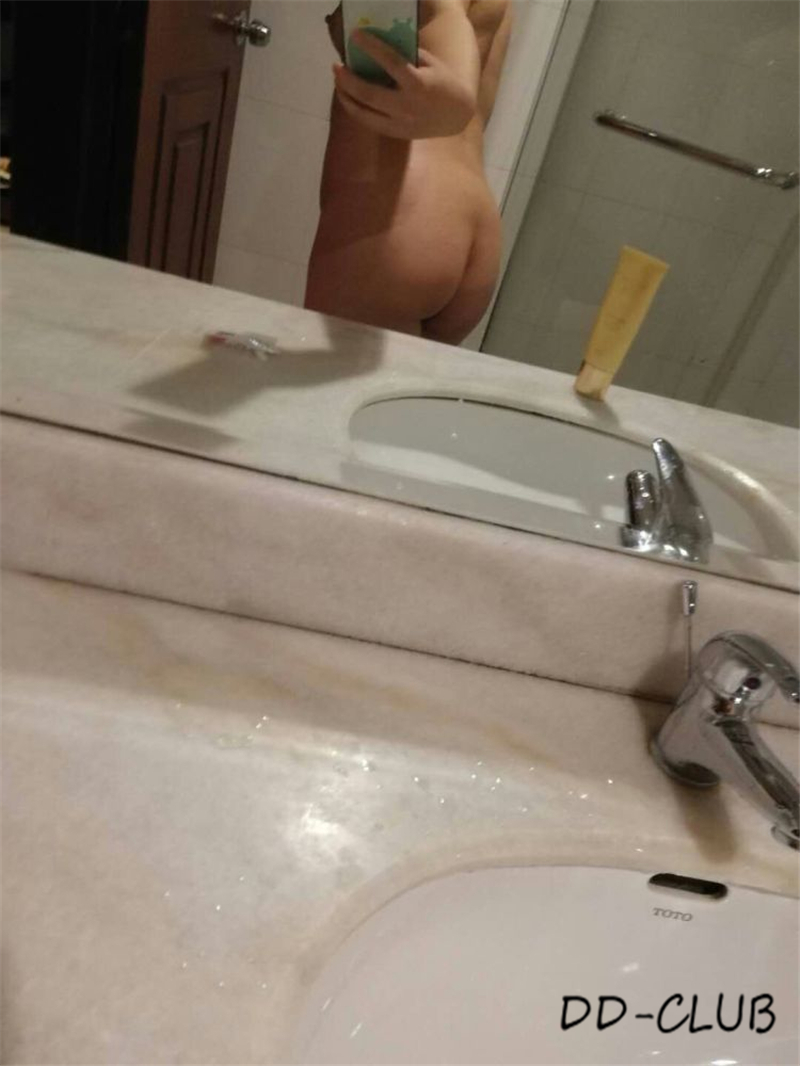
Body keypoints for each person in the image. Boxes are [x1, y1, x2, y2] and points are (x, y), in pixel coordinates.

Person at [305, 1, 512, 345]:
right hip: (472, 216)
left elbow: (443, 14)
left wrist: (455, 102)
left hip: (394, 218)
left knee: (329, 380)